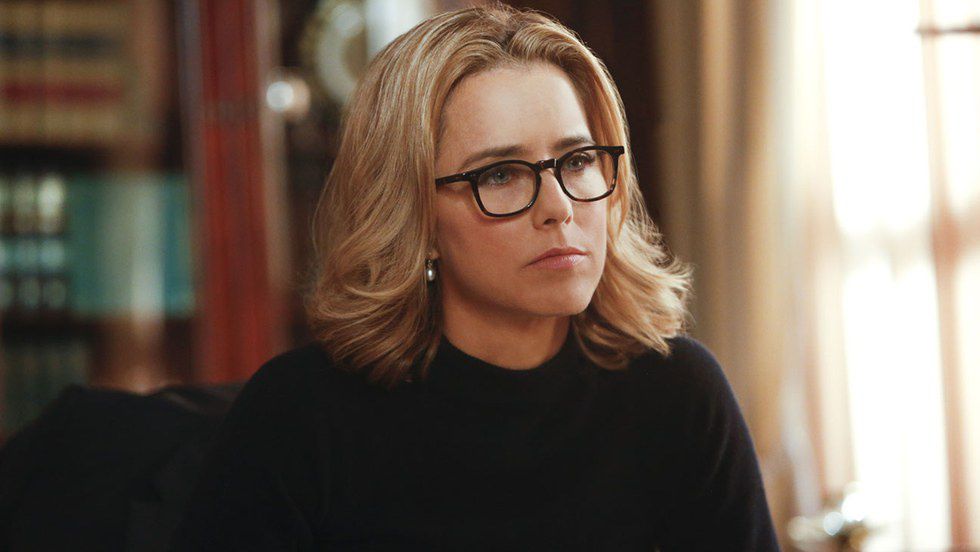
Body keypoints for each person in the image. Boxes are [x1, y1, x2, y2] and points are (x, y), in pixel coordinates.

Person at [169, 2, 781, 550]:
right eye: (499, 175)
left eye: (577, 160)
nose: (558, 207)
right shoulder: (299, 415)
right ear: (417, 218)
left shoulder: (678, 393)